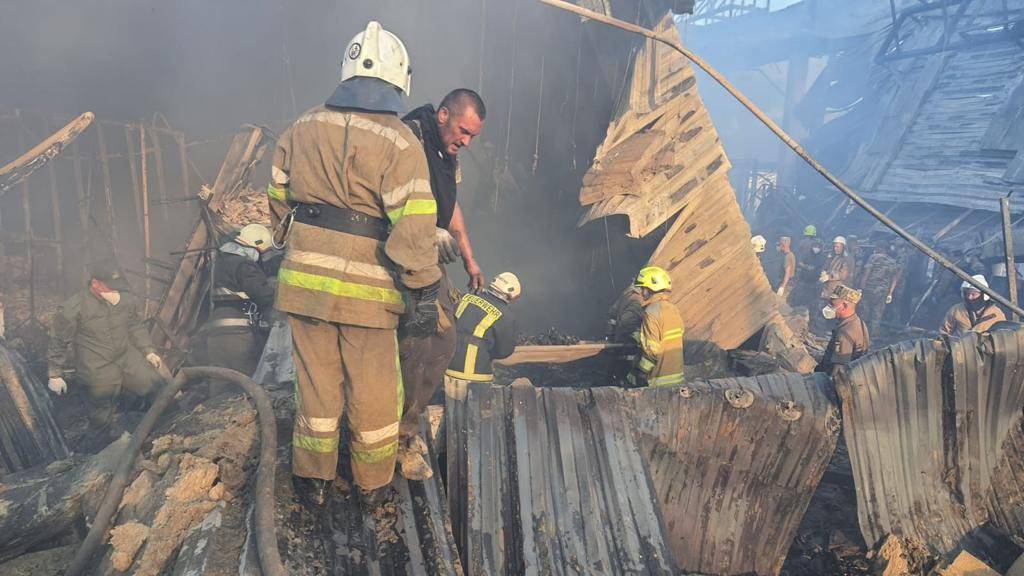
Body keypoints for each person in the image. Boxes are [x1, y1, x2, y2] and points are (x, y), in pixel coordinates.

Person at [267, 21, 441, 507]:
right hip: (369, 290)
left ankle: (313, 479)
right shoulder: (401, 141)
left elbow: (277, 197)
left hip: (304, 283)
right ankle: (370, 486)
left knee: (316, 384)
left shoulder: (301, 126)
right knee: (374, 393)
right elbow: (415, 225)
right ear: (399, 79)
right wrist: (424, 287)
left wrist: (297, 240)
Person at [396, 89, 486, 481]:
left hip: (431, 257)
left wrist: (468, 258)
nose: (465, 142)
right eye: (463, 131)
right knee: (417, 337)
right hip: (399, 253)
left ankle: (406, 425)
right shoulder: (407, 140)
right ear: (443, 115)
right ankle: (396, 437)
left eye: (472, 137)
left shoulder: (448, 159)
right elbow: (381, 199)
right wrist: (423, 231)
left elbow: (451, 211)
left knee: (444, 342)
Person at [46, 260, 164, 439]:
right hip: (97, 367)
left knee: (158, 389)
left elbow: (134, 325)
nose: (114, 290)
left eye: (116, 286)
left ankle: (165, 433)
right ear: (95, 284)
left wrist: (148, 350)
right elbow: (59, 341)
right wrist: (55, 374)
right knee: (102, 416)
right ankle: (101, 456)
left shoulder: (123, 298)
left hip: (127, 358)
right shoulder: (73, 308)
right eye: (109, 286)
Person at [204, 224, 277, 392]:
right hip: (238, 334)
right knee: (245, 385)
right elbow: (263, 294)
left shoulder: (221, 263)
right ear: (255, 246)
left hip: (215, 333)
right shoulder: (244, 265)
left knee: (219, 383)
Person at [443, 272, 521, 387]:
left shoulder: (465, 298)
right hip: (477, 376)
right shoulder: (506, 316)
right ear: (511, 295)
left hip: (446, 368)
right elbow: (504, 351)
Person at [628, 266, 684, 387]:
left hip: (656, 381)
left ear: (651, 289)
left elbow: (652, 350)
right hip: (676, 379)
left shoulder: (651, 312)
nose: (642, 293)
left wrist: (640, 373)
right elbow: (666, 339)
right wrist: (639, 336)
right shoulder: (673, 309)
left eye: (643, 288)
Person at [815, 284, 870, 378]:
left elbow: (839, 366)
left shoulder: (844, 332)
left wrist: (829, 384)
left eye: (832, 305)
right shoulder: (858, 322)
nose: (829, 307)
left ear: (844, 306)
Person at [856, 239, 901, 337]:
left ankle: (860, 334)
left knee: (863, 312)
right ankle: (871, 337)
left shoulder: (873, 258)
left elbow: (866, 273)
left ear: (879, 248)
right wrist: (890, 293)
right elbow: (895, 278)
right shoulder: (892, 262)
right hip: (882, 292)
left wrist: (861, 288)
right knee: (877, 314)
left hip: (869, 289)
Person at [941, 275, 1006, 337]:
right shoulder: (956, 310)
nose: (969, 297)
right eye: (967, 294)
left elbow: (1003, 336)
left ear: (984, 295)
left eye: (973, 294)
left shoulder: (996, 314)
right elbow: (944, 332)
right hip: (961, 347)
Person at [794, 225, 825, 307]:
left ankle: (798, 304)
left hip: (803, 271)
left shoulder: (801, 242)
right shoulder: (816, 244)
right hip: (813, 275)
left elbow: (797, 256)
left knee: (801, 289)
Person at [775, 236, 796, 301]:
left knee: (782, 302)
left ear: (783, 245)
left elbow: (787, 272)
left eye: (779, 245)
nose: (778, 247)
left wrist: (782, 287)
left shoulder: (787, 256)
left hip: (787, 284)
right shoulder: (790, 254)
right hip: (788, 283)